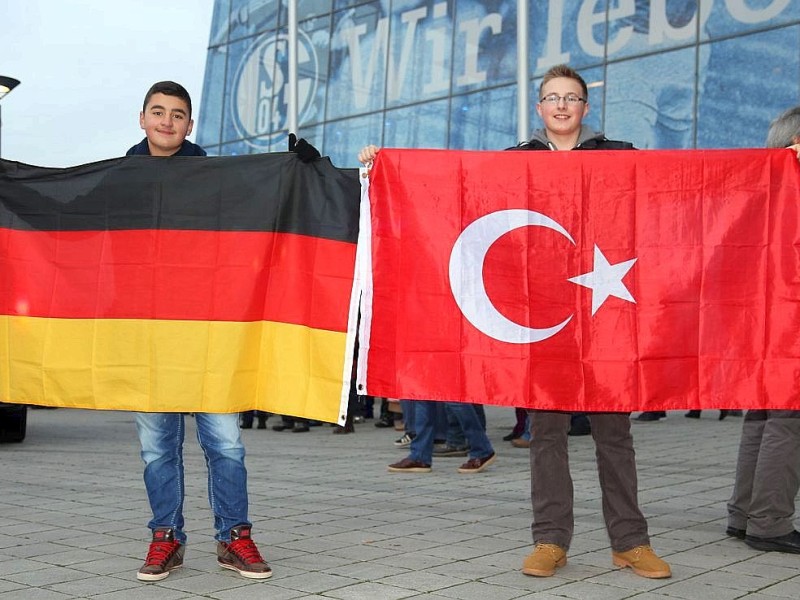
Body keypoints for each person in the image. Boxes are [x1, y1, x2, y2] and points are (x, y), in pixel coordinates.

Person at [360, 64, 669, 578]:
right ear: (539, 108)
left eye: (572, 98)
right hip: (542, 320)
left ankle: (630, 542)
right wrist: (384, 165)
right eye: (553, 97)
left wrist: (777, 166)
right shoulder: (515, 162)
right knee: (546, 432)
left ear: (586, 108)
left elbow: (681, 182)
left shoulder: (619, 156)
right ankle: (550, 540)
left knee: (614, 433)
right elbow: (457, 190)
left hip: (605, 317)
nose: (562, 106)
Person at [128, 81, 319, 582]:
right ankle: (164, 537)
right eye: (158, 112)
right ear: (142, 119)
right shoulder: (118, 180)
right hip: (148, 336)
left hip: (210, 331)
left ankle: (235, 536)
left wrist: (300, 170)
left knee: (226, 442)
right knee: (157, 447)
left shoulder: (215, 178)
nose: (167, 121)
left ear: (190, 126)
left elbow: (264, 197)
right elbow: (67, 208)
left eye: (177, 115)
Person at [726, 105, 800, 554]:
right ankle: (769, 522)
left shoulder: (763, 192)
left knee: (763, 414)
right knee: (788, 419)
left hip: (762, 318)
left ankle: (744, 513)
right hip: (788, 317)